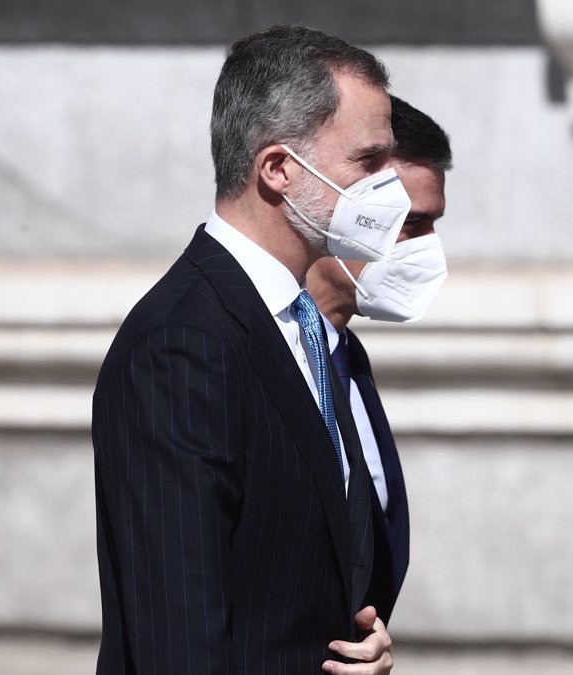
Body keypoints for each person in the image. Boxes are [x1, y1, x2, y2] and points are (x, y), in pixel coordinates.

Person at [92, 25, 407, 674]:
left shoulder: (308, 328)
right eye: (368, 161)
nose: (391, 187)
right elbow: (177, 640)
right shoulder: (181, 346)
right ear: (278, 170)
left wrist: (358, 648)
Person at [305, 94, 454, 612]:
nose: (426, 249)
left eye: (433, 225)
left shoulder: (344, 357)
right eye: (410, 225)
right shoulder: (239, 351)